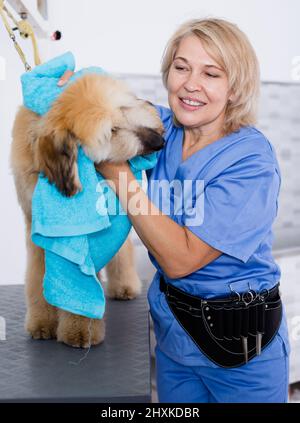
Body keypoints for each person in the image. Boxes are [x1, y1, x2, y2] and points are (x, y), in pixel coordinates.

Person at [58, 18, 290, 403]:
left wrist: (117, 172)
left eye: (211, 73)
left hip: (242, 355)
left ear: (235, 89)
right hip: (174, 340)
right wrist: (67, 88)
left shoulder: (250, 162)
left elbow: (181, 260)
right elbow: (108, 101)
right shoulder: (161, 129)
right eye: (181, 67)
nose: (190, 84)